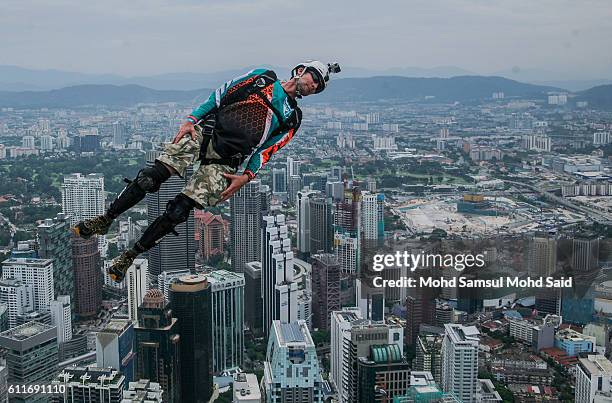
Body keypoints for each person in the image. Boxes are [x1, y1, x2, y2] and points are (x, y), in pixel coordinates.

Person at [72, 61, 340, 282]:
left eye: (318, 86)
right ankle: (105, 219)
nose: (314, 85)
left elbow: (268, 150)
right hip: (206, 133)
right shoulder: (262, 78)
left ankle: (129, 256)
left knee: (179, 210)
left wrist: (246, 176)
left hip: (227, 161)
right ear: (300, 69)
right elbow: (219, 95)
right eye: (314, 77)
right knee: (149, 177)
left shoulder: (293, 117)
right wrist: (191, 120)